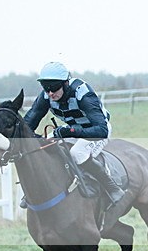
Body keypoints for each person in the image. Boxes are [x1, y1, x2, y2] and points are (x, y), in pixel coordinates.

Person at [23, 62, 124, 206]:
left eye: (54, 87)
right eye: (46, 88)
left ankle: (112, 187)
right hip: (72, 128)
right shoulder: (46, 97)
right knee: (45, 147)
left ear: (65, 83)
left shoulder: (82, 92)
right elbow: (28, 124)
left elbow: (102, 130)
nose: (50, 93)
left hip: (96, 130)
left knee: (77, 153)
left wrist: (70, 131)